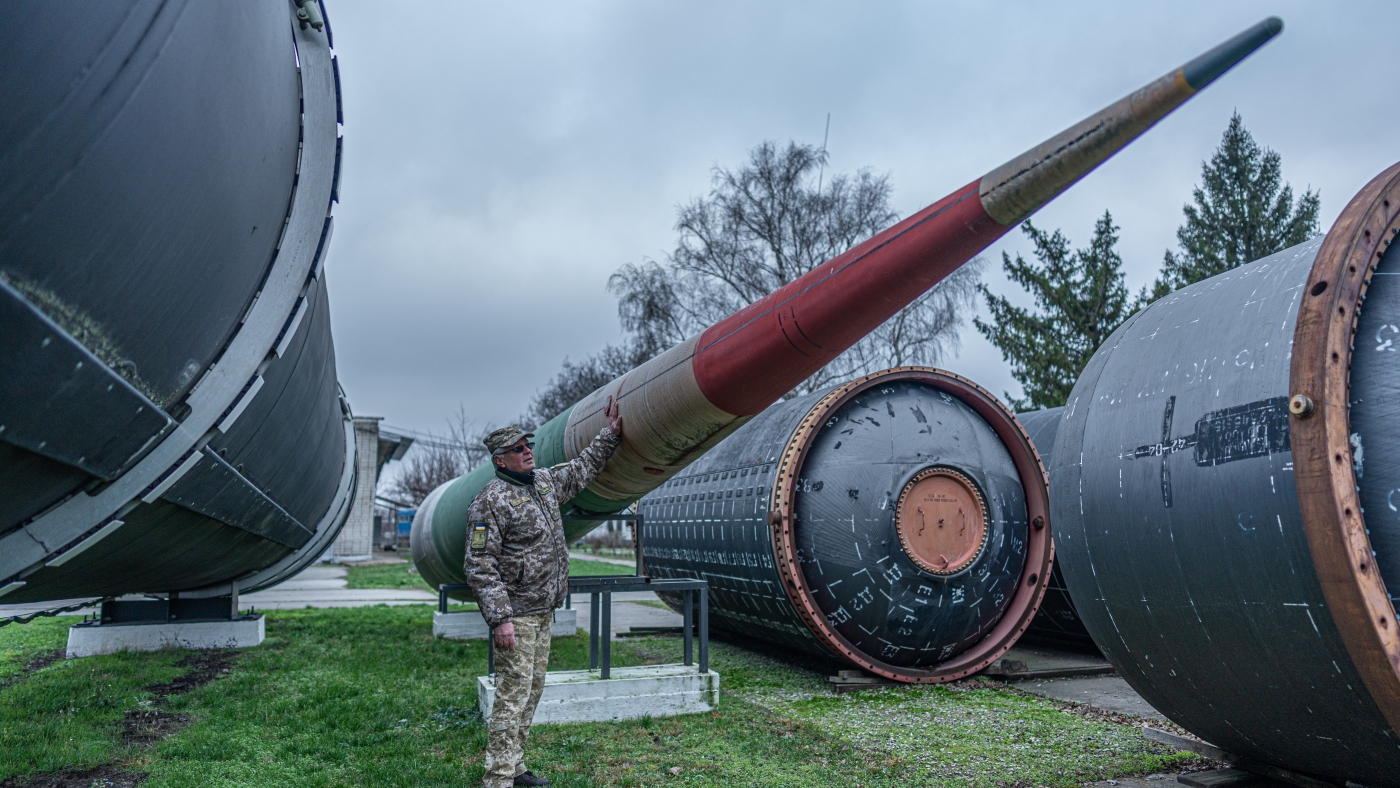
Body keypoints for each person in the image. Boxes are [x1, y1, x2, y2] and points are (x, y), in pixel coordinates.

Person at [465, 398, 622, 788]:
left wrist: (611, 434)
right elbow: (479, 566)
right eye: (518, 449)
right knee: (512, 696)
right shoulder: (490, 502)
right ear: (500, 460)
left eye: (529, 446)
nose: (527, 452)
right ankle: (497, 779)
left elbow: (583, 469)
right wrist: (501, 619)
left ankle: (515, 768)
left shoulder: (545, 484)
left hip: (543, 611)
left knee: (531, 693)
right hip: (516, 615)